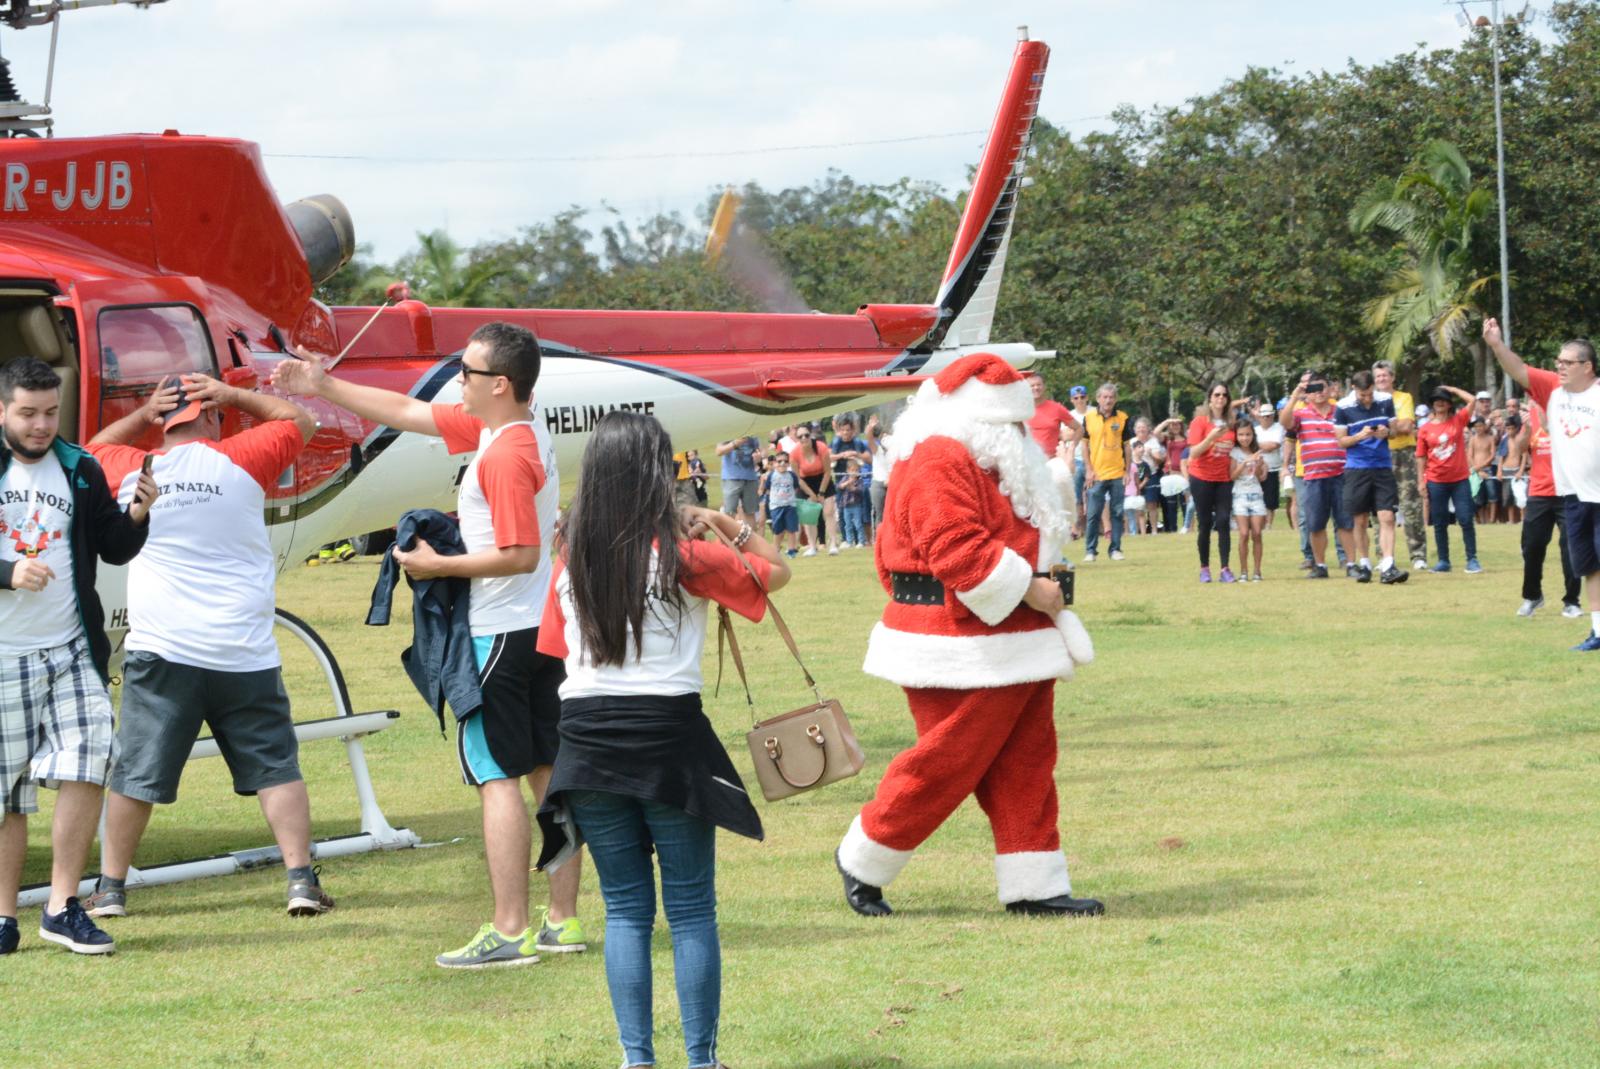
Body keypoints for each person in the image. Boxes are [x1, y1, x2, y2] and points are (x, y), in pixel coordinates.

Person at [272, 322, 587, 964]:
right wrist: (322, 383)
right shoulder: (513, 425)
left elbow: (522, 554)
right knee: (547, 772)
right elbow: (410, 411)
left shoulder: (501, 454)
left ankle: (507, 930)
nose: (456, 380)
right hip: (536, 633)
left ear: (498, 384)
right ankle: (562, 922)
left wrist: (434, 566)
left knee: (495, 778)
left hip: (497, 635)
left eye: (466, 372)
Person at [836, 353, 1098, 918]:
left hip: (1006, 631)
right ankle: (865, 855)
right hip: (959, 637)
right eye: (1010, 425)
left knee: (1026, 761)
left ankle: (1035, 884)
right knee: (950, 759)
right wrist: (1031, 588)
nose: (1019, 435)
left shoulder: (972, 454)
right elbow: (955, 548)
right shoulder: (938, 456)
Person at [85, 371, 329, 921]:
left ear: (164, 425)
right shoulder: (243, 457)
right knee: (276, 769)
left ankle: (111, 888)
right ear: (213, 416)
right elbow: (302, 420)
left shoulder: (133, 468)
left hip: (163, 649)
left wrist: (144, 412)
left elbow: (95, 447)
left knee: (136, 775)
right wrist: (239, 394)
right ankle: (300, 880)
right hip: (243, 649)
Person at [0, 358, 157, 957]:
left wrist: (138, 512)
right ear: (4, 411)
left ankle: (63, 906)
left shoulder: (80, 468)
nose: (42, 425)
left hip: (69, 648)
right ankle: (5, 917)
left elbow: (115, 549)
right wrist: (9, 572)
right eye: (28, 413)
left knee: (93, 754)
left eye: (50, 412)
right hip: (5, 654)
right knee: (8, 796)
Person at [1483, 319, 1600, 650]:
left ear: (1587, 367)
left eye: (1568, 362)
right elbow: (1518, 369)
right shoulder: (1553, 389)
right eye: (1558, 362)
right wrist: (1495, 345)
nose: (1560, 366)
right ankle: (1598, 631)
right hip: (1573, 497)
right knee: (1590, 566)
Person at [1281, 372, 1358, 580]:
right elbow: (1285, 421)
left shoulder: (1341, 411)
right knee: (1316, 524)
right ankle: (1320, 565)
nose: (1318, 393)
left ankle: (1351, 563)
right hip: (1314, 477)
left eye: (1322, 387)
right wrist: (1296, 395)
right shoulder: (1301, 414)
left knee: (1345, 522)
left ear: (1329, 388)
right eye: (1313, 389)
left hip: (1341, 474)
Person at [1335, 370, 1407, 584]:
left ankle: (1388, 565)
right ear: (1354, 389)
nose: (1367, 399)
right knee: (1360, 519)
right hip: (1357, 468)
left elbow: (1394, 432)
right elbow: (1341, 441)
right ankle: (1364, 564)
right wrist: (1359, 435)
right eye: (1363, 395)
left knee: (1387, 517)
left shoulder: (1385, 401)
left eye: (1370, 394)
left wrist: (1386, 432)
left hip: (1382, 466)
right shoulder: (1343, 407)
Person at [1517, 402, 1582, 618]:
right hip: (1539, 493)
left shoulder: (1571, 413)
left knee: (1570, 548)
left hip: (1568, 492)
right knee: (1532, 547)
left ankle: (1572, 601)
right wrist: (1526, 430)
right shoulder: (1531, 415)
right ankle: (1532, 596)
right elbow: (1518, 449)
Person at [1413, 385, 1481, 574]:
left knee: (1466, 519)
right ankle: (1443, 560)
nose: (1440, 403)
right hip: (1436, 480)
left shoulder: (1458, 420)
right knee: (1440, 522)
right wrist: (1421, 480)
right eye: (1436, 400)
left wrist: (1452, 389)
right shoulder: (1425, 429)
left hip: (1460, 480)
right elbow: (1421, 457)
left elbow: (1472, 400)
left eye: (1443, 399)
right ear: (1432, 405)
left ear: (1449, 403)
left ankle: (1472, 559)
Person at [1372, 361, 1427, 571]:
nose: (1381, 380)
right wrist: (1391, 426)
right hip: (1379, 454)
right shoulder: (1371, 400)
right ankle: (1383, 556)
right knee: (1380, 508)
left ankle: (1418, 555)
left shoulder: (1403, 398)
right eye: (1378, 377)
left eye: (1385, 376)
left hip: (1403, 454)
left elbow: (1406, 426)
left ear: (1392, 377)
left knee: (1410, 505)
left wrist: (1384, 427)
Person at [1187, 384, 1238, 582]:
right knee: (1205, 523)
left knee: (1224, 521)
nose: (1221, 398)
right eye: (1217, 395)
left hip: (1224, 478)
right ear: (1210, 398)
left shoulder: (1232, 423)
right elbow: (1193, 452)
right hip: (1201, 477)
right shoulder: (1200, 422)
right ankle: (1204, 567)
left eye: (1224, 395)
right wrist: (1210, 437)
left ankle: (1225, 568)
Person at [1081, 382, 1133, 562]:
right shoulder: (1088, 418)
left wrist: (1127, 471)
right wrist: (1088, 469)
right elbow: (1084, 446)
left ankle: (1115, 549)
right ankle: (1090, 550)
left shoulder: (1123, 418)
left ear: (1115, 399)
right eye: (1104, 397)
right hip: (1096, 474)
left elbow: (1127, 448)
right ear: (1098, 399)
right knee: (1094, 514)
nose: (1108, 400)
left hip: (1118, 473)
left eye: (1111, 397)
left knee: (1117, 513)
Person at [789, 427, 837, 556]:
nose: (804, 438)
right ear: (797, 439)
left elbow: (828, 472)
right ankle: (812, 546)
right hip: (806, 483)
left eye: (806, 435)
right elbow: (797, 478)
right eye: (800, 437)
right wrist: (811, 494)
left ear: (810, 435)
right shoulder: (794, 453)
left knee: (828, 512)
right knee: (809, 516)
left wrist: (821, 493)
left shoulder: (821, 447)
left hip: (823, 479)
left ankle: (833, 544)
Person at [1230, 419, 1267, 581]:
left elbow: (1262, 477)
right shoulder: (1234, 453)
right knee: (1244, 534)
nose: (1245, 438)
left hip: (1256, 496)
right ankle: (1244, 571)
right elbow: (1232, 476)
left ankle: (1257, 571)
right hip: (1240, 496)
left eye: (1248, 434)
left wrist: (1258, 466)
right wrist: (1244, 463)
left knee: (1257, 533)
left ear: (1253, 435)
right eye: (1241, 435)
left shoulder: (1259, 452)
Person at [715, 434, 760, 521]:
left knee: (750, 512)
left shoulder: (754, 431)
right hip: (731, 478)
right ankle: (728, 535)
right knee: (729, 513)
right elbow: (718, 451)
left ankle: (750, 535)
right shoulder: (730, 430)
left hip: (751, 478)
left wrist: (759, 456)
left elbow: (762, 451)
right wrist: (735, 444)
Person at [1255, 403, 1286, 527]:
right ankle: (1259, 525)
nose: (1266, 418)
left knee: (1270, 501)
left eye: (1269, 415)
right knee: (1257, 499)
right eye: (1264, 416)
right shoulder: (1255, 430)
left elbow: (1274, 445)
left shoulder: (1279, 427)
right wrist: (1264, 446)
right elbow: (1250, 446)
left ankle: (1268, 526)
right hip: (1256, 469)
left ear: (1273, 415)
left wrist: (1258, 445)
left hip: (1273, 469)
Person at [765, 452, 800, 556]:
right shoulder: (772, 475)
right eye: (779, 461)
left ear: (789, 463)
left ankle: (791, 550)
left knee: (791, 529)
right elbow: (768, 488)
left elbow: (796, 487)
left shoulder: (792, 475)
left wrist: (790, 498)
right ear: (774, 463)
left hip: (790, 505)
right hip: (776, 506)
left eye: (785, 461)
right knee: (778, 530)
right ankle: (775, 550)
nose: (782, 463)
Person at [1067, 385, 1090, 538]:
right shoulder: (1068, 415)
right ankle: (1076, 529)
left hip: (1093, 458)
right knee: (1075, 497)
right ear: (1072, 400)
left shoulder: (1095, 412)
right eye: (1076, 398)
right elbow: (1064, 435)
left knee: (1093, 496)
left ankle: (1094, 529)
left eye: (1082, 397)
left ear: (1087, 397)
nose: (1080, 400)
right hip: (1074, 458)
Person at [837, 457, 868, 548]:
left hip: (856, 506)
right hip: (846, 506)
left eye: (856, 470)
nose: (854, 472)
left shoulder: (859, 480)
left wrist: (853, 488)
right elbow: (840, 486)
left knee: (858, 524)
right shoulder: (845, 478)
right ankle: (849, 542)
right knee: (848, 525)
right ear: (848, 470)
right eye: (852, 470)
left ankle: (861, 541)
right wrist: (847, 483)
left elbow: (860, 490)